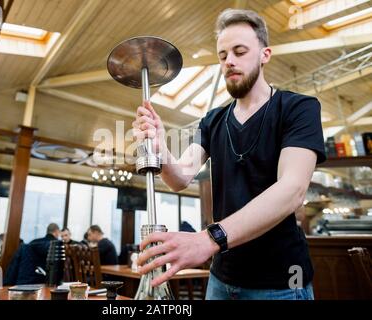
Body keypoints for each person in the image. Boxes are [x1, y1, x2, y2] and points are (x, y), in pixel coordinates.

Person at [132, 9, 325, 300]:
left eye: (240, 51)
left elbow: (292, 190)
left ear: (265, 54)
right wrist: (161, 149)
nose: (229, 61)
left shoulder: (299, 108)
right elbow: (180, 177)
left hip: (282, 281)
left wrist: (210, 239)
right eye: (222, 55)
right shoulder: (213, 119)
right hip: (222, 279)